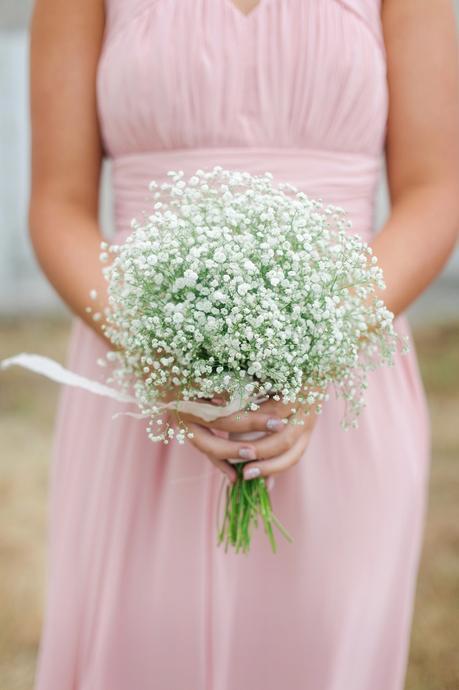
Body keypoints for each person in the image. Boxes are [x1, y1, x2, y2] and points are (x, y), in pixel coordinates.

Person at [29, 1, 459, 689]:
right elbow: (57, 203)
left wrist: (315, 346)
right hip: (144, 382)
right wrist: (159, 352)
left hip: (340, 372)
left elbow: (435, 192)